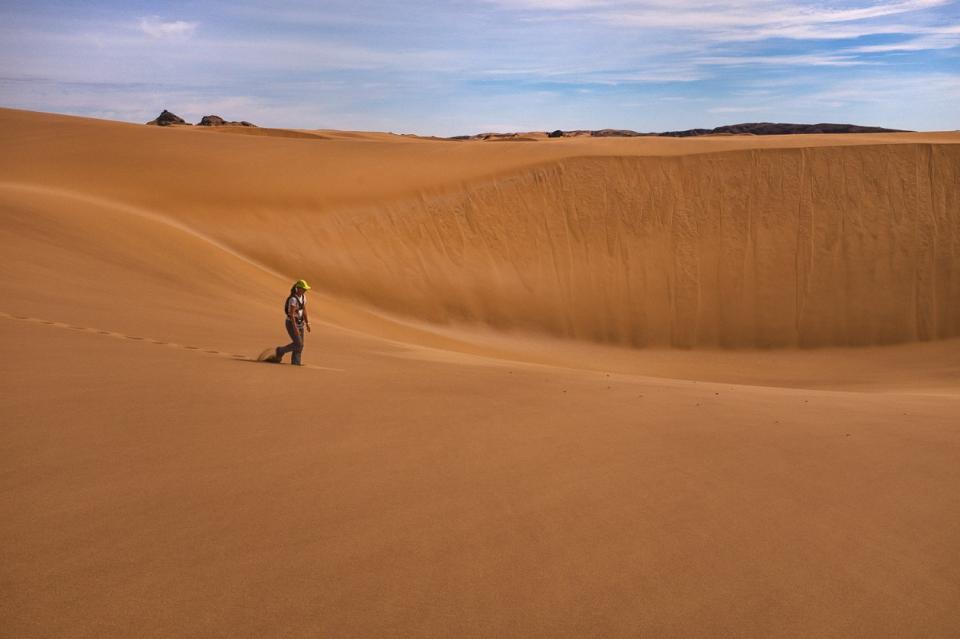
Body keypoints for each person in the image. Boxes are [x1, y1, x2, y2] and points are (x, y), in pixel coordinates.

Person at [272, 279, 312, 365]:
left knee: (300, 346)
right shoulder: (293, 299)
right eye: (304, 289)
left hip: (300, 324)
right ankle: (280, 350)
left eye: (305, 289)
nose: (305, 290)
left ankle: (296, 362)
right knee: (299, 344)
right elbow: (292, 314)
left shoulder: (304, 297)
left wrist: (307, 323)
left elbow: (304, 310)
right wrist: (295, 328)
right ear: (299, 288)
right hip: (291, 323)